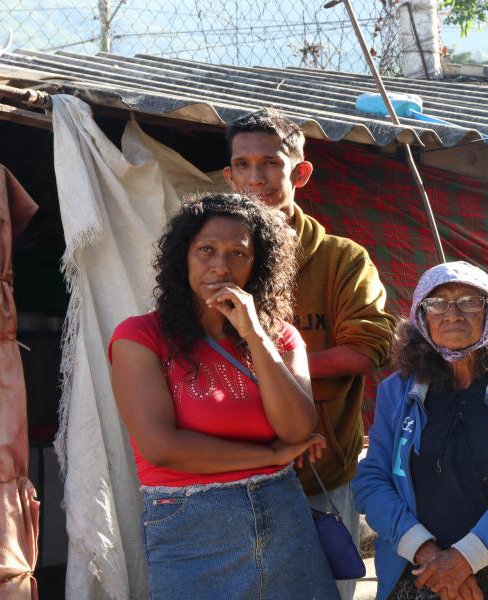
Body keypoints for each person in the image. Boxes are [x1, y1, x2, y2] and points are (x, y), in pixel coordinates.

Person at [108, 193, 340, 600]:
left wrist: (255, 333)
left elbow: (298, 426)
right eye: (206, 250)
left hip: (282, 513)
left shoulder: (280, 336)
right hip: (191, 525)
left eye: (239, 253)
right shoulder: (140, 337)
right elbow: (161, 447)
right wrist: (270, 456)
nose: (220, 265)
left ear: (258, 265)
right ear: (183, 258)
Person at [224, 109, 397, 599]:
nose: (255, 178)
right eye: (243, 165)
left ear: (300, 172)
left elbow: (365, 352)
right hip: (230, 471)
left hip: (319, 473)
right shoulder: (211, 255)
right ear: (228, 175)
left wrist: (265, 369)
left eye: (270, 163)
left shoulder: (342, 258)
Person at [353, 261, 488, 600]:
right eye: (437, 303)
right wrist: (430, 556)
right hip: (422, 572)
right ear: (421, 316)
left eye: (470, 301)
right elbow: (371, 481)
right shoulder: (396, 392)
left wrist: (465, 558)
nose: (452, 314)